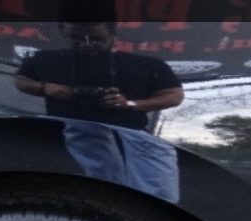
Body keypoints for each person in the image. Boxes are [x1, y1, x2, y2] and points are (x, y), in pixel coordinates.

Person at [15, 21, 184, 203]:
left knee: (157, 200)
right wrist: (44, 87)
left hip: (134, 134)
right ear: (64, 34)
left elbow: (174, 96)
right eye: (76, 38)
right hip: (68, 131)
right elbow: (21, 80)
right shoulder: (47, 58)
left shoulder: (144, 63)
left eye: (96, 39)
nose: (86, 43)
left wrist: (129, 103)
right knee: (93, 195)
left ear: (113, 36)